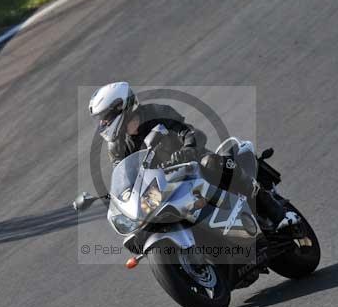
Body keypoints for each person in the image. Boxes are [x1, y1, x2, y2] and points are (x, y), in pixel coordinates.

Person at [88, 82, 299, 230]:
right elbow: (124, 174)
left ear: (121, 108)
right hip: (161, 185)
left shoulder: (156, 112)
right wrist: (121, 197)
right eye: (101, 120)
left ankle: (275, 211)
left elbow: (188, 132)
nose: (103, 124)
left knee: (212, 162)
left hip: (192, 165)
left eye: (105, 118)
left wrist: (188, 147)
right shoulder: (116, 147)